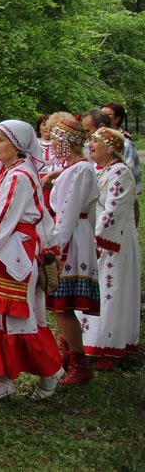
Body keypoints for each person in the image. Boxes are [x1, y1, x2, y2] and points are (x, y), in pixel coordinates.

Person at [0, 120, 62, 403]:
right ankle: (5, 380)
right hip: (8, 253)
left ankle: (48, 372)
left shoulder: (18, 177)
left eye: (1, 140)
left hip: (14, 256)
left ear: (18, 145)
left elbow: (2, 221)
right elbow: (41, 216)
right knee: (1, 315)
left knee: (17, 317)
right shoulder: (15, 172)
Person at [79, 128, 141, 370]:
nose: (91, 145)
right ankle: (91, 342)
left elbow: (113, 210)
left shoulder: (120, 172)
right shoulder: (98, 170)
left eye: (96, 141)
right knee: (98, 290)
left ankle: (110, 346)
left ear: (111, 147)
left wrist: (97, 240)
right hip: (99, 240)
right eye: (90, 141)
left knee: (111, 290)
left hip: (115, 242)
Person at [44, 113, 99, 386]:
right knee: (61, 306)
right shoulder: (76, 169)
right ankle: (68, 355)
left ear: (67, 143)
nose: (52, 145)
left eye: (56, 140)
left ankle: (79, 363)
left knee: (63, 307)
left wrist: (56, 249)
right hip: (75, 234)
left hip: (72, 238)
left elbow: (67, 213)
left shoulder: (78, 171)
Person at [100, 102, 142, 222]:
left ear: (118, 118)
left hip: (118, 192)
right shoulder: (95, 139)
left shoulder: (124, 141)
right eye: (101, 114)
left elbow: (130, 169)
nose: (103, 118)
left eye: (108, 115)